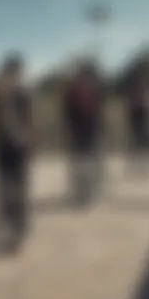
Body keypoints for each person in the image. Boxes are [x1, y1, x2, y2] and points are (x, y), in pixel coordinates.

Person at [0, 54, 33, 253]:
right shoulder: (21, 88)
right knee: (20, 183)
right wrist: (30, 141)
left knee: (4, 182)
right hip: (19, 143)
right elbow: (28, 118)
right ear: (18, 69)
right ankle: (19, 227)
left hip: (0, 143)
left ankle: (7, 222)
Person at [63, 60, 103, 206]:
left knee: (79, 164)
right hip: (88, 131)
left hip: (78, 132)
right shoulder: (92, 90)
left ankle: (81, 192)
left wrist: (69, 129)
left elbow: (67, 113)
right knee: (88, 163)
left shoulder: (72, 90)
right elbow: (97, 112)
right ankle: (87, 193)